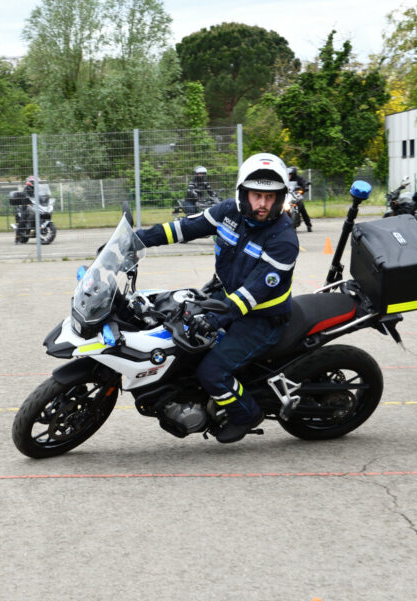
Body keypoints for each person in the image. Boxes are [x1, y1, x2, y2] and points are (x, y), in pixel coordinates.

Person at [134, 153, 299, 443]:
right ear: (243, 193)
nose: (262, 203)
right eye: (256, 195)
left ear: (280, 198)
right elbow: (184, 228)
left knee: (212, 371)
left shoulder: (283, 239)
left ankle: (246, 413)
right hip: (224, 295)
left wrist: (215, 318)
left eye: (270, 197)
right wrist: (136, 240)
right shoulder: (229, 212)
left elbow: (253, 292)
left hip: (261, 318)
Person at [286, 166, 313, 232]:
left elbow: (303, 183)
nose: (289, 176)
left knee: (303, 210)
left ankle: (308, 225)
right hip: (287, 197)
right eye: (288, 174)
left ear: (293, 174)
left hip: (296, 197)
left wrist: (305, 187)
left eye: (290, 174)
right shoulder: (285, 179)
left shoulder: (298, 179)